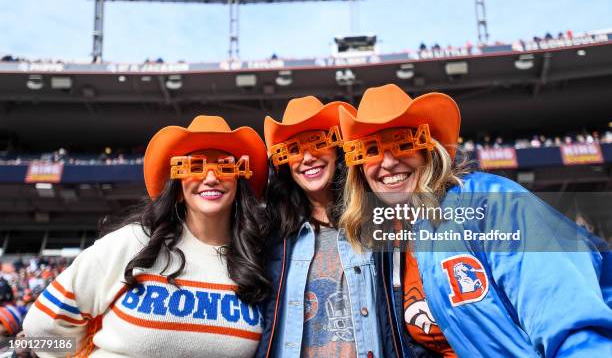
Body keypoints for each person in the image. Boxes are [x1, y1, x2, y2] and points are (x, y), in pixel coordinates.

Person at [338, 84, 612, 357]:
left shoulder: (493, 203)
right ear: (359, 167)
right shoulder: (386, 242)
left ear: (428, 150)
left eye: (403, 143)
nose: (387, 162)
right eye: (370, 150)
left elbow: (572, 327)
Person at [23, 115, 271, 357]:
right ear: (178, 187)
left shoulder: (255, 259)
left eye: (225, 167)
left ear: (239, 181)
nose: (211, 177)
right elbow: (39, 328)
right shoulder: (131, 242)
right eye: (195, 167)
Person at [256, 97, 385, 358]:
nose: (307, 157)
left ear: (337, 149)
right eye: (294, 149)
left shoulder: (376, 220)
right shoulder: (273, 236)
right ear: (284, 163)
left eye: (318, 143)